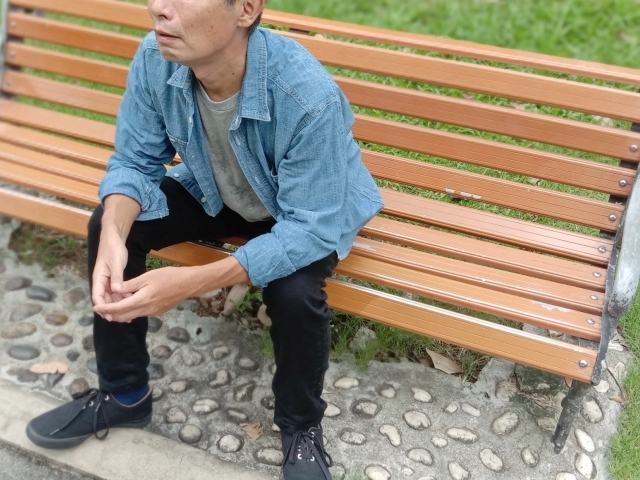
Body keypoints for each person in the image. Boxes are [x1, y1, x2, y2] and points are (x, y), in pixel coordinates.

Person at [25, 0, 383, 478]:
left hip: (305, 208)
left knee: (294, 293)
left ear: (246, 9)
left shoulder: (305, 95)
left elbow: (309, 228)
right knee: (112, 221)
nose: (158, 8)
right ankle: (124, 394)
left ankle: (300, 427)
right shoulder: (156, 56)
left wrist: (191, 282)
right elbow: (134, 162)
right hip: (219, 188)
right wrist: (112, 234)